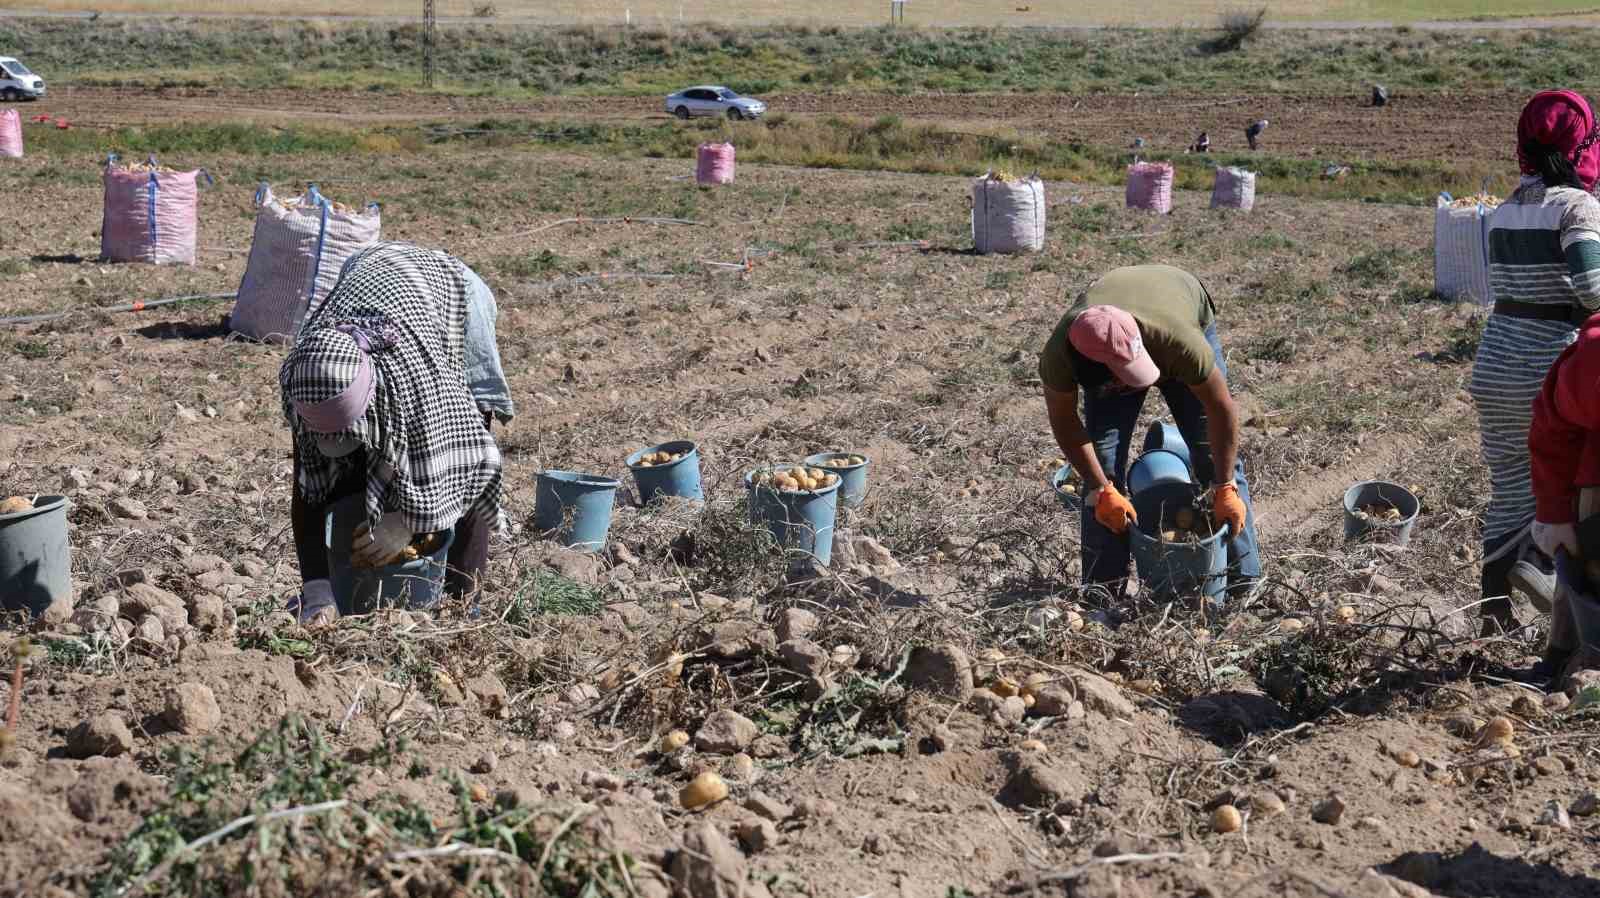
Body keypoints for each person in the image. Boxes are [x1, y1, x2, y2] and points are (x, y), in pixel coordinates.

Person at [280, 242, 515, 625]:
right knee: (343, 468)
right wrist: (319, 590)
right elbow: (307, 489)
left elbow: (476, 463)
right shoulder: (310, 381)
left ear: (373, 406)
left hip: (450, 295)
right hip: (372, 277)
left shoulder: (419, 386)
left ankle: (461, 605)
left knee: (451, 461)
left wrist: (408, 522)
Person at [1039, 264, 1260, 600]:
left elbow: (1221, 409)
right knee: (1101, 468)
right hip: (1114, 341)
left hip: (1178, 298)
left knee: (1212, 460)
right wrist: (1101, 488)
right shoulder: (1060, 357)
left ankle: (1244, 584)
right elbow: (1065, 422)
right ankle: (1103, 593)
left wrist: (1225, 485)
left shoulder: (1179, 342)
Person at [1469, 89, 1600, 635]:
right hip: (1549, 364)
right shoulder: (1577, 207)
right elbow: (1593, 289)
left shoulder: (1505, 210)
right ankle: (1547, 578)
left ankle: (1492, 614)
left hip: (1495, 359)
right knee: (1566, 488)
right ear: (1586, 143)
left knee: (1509, 485)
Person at [1528, 313, 1600, 674]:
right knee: (1587, 586)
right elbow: (1555, 428)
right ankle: (1565, 667)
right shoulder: (1596, 357)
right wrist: (1554, 513)